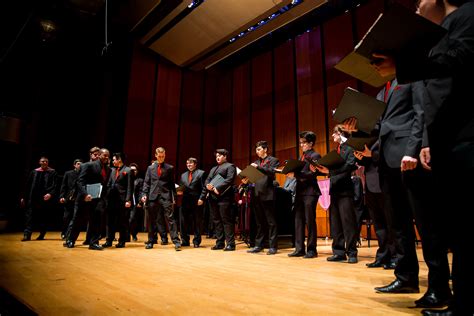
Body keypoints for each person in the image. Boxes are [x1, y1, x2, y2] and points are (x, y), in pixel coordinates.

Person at [372, 2, 474, 314]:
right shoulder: (435, 43)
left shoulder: (467, 15)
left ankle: (451, 295)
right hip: (437, 143)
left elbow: (426, 102)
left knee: (446, 226)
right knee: (452, 227)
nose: (417, 7)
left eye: (421, 1)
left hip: (453, 140)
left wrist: (418, 145)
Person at [315, 125, 359, 263]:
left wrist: (331, 175)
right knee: (335, 223)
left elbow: (350, 166)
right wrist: (324, 170)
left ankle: (352, 252)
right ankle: (338, 252)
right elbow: (334, 169)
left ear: (341, 133)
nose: (333, 135)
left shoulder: (350, 148)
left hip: (345, 190)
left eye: (335, 133)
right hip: (334, 190)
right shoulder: (336, 151)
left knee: (348, 223)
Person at [353, 142, 397, 269]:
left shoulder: (382, 135)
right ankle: (383, 256)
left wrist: (371, 154)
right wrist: (360, 157)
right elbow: (364, 163)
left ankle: (395, 256)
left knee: (391, 223)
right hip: (370, 184)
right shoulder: (366, 140)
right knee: (378, 225)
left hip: (385, 182)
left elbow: (389, 155)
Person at [64, 148, 111, 250]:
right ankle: (71, 240)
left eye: (108, 156)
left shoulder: (108, 169)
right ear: (99, 155)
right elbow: (80, 181)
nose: (106, 158)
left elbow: (104, 185)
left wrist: (104, 199)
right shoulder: (87, 165)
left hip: (97, 199)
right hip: (84, 198)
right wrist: (85, 194)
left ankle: (93, 242)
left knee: (96, 221)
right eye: (104, 155)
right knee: (78, 220)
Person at [286, 131, 322, 259]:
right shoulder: (301, 156)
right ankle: (299, 248)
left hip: (310, 192)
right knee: (298, 220)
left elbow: (313, 174)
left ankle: (312, 250)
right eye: (300, 142)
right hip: (300, 192)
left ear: (311, 143)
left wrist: (295, 175)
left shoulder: (315, 155)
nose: (301, 145)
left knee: (309, 220)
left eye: (304, 143)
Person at [244, 141, 280, 255]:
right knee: (259, 222)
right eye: (256, 149)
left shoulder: (273, 160)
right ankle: (259, 245)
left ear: (265, 149)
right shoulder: (256, 162)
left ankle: (273, 246)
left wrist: (258, 167)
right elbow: (254, 178)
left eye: (259, 149)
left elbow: (271, 172)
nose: (257, 151)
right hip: (256, 194)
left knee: (271, 222)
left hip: (268, 193)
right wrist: (247, 179)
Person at [141, 147, 180, 250]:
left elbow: (171, 184)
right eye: (159, 156)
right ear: (155, 155)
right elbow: (146, 183)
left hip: (165, 196)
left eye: (163, 156)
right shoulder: (150, 168)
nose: (161, 158)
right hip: (153, 197)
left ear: (165, 155)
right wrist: (144, 194)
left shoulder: (169, 168)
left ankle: (176, 241)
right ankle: (150, 241)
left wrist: (174, 197)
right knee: (151, 220)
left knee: (170, 219)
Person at [198, 149, 237, 251]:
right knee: (216, 220)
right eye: (216, 156)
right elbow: (208, 180)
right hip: (213, 197)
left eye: (219, 156)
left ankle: (230, 244)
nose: (217, 158)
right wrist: (208, 186)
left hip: (225, 197)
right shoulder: (213, 168)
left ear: (225, 156)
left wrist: (217, 188)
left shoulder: (230, 166)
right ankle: (220, 243)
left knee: (226, 220)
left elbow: (229, 180)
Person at [20, 156, 58, 241]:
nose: (44, 163)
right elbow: (28, 185)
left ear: (48, 163)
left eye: (46, 161)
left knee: (43, 217)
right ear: (39, 162)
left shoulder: (52, 172)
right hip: (32, 197)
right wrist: (23, 197)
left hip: (45, 198)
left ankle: (42, 234)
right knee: (29, 217)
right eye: (42, 161)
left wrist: (50, 194)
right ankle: (27, 235)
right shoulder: (34, 172)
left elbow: (55, 185)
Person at [103, 153, 132, 248]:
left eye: (114, 159)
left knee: (122, 222)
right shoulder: (112, 170)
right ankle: (109, 240)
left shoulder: (128, 170)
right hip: (111, 199)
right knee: (109, 221)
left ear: (119, 159)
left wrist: (128, 200)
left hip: (122, 200)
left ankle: (122, 241)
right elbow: (109, 183)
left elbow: (129, 187)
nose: (112, 161)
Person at [178, 157, 205, 247]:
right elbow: (181, 186)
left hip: (197, 200)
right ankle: (185, 240)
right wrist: (179, 191)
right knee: (183, 221)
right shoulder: (183, 175)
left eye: (190, 163)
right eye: (187, 163)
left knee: (197, 221)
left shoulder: (201, 173)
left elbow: (204, 188)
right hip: (185, 200)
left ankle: (196, 241)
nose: (188, 165)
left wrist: (201, 198)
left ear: (195, 164)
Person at [59, 159, 82, 240]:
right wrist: (61, 196)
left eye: (81, 164)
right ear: (74, 165)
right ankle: (64, 233)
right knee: (66, 217)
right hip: (68, 198)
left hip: (78, 198)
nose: (80, 165)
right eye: (78, 164)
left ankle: (69, 235)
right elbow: (63, 185)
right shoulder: (68, 173)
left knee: (75, 218)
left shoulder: (83, 173)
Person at [128, 162, 144, 242]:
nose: (133, 171)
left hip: (135, 203)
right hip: (125, 202)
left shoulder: (140, 180)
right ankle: (126, 236)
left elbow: (141, 192)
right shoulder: (125, 178)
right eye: (131, 170)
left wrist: (140, 202)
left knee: (132, 219)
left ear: (137, 171)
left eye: (135, 170)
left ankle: (133, 234)